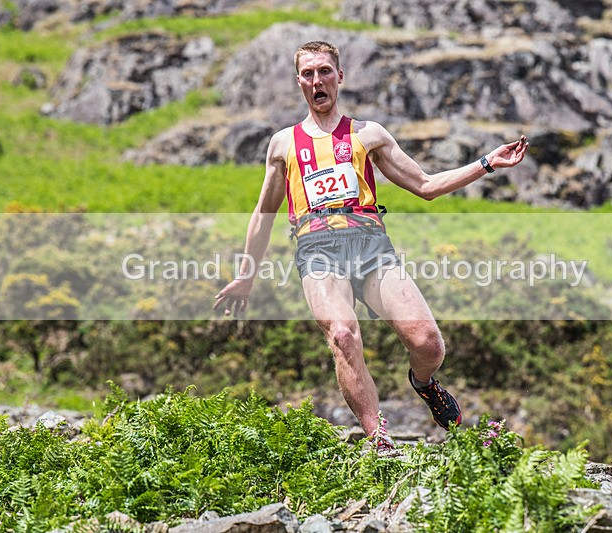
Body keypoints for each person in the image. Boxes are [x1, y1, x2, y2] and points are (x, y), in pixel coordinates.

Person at [214, 40, 529, 451]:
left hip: (370, 245)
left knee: (427, 343)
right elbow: (263, 213)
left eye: (324, 71)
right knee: (343, 335)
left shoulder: (369, 135)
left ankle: (424, 382)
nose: (317, 80)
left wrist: (487, 162)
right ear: (299, 83)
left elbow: (426, 186)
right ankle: (380, 441)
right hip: (317, 248)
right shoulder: (283, 145)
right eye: (308, 74)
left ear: (339, 77)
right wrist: (245, 276)